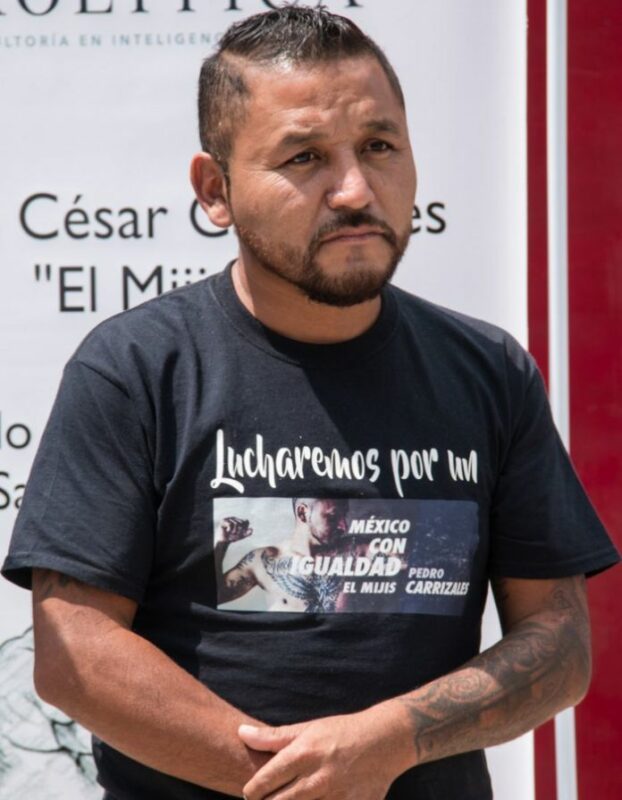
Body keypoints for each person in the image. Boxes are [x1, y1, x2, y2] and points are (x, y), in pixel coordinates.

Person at [2, 6, 619, 800]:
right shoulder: (136, 369)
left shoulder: (489, 371)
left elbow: (560, 646)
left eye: (380, 146)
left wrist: (388, 741)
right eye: (304, 158)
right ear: (215, 190)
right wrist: (301, 784)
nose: (355, 190)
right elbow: (75, 653)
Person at [215, 498, 353, 612]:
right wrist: (220, 543)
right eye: (333, 516)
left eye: (344, 516)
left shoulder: (354, 553)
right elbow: (214, 596)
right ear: (303, 513)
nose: (344, 526)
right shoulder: (264, 560)